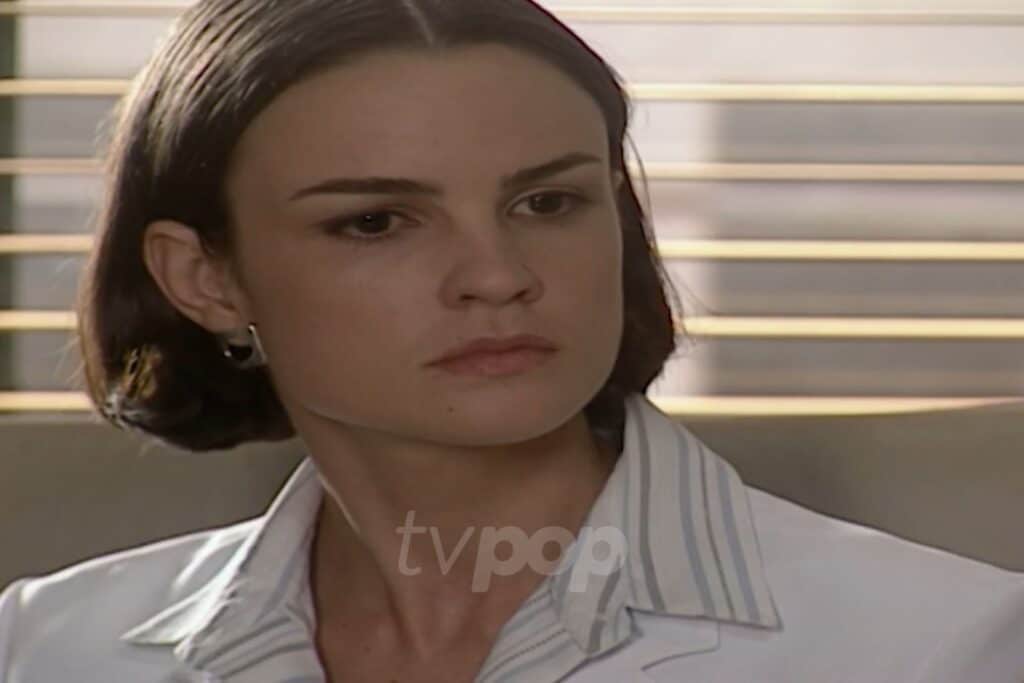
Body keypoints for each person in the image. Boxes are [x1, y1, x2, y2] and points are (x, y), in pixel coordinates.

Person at [1, 0, 1023, 681]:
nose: (497, 275)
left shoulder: (946, 646)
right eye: (375, 221)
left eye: (546, 201)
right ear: (205, 279)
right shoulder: (46, 647)